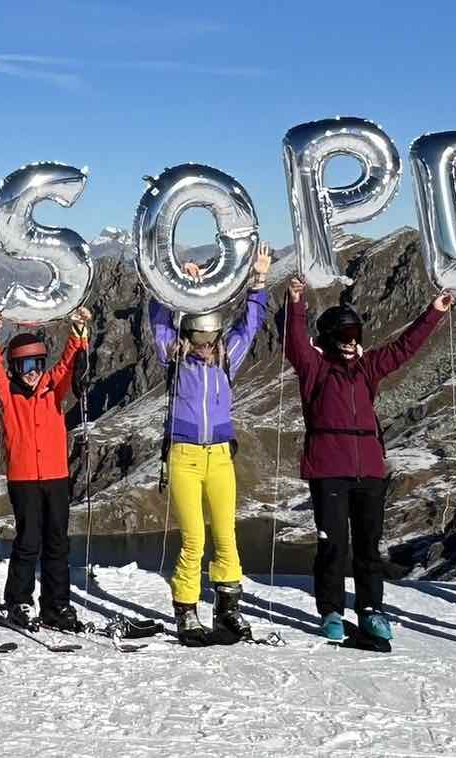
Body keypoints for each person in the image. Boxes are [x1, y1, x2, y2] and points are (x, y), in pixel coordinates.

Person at [284, 271, 453, 646]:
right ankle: (330, 610)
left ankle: (371, 609)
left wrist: (434, 311)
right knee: (333, 544)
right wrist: (295, 302)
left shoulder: (367, 368)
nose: (350, 343)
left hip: (370, 471)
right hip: (329, 469)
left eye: (355, 336)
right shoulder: (314, 369)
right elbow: (295, 343)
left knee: (368, 545)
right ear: (328, 338)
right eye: (343, 336)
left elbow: (404, 348)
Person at [149, 246, 272, 643]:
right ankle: (186, 611)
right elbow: (157, 317)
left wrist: (259, 281)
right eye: (197, 335)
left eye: (209, 335)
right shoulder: (175, 356)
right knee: (194, 540)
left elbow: (250, 325)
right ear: (187, 333)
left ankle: (228, 610)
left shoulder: (226, 358)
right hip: (183, 456)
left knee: (225, 535)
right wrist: (177, 285)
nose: (203, 343)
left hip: (220, 457)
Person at [0, 306, 91, 630]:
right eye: (25, 365)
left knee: (57, 542)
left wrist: (78, 331)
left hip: (56, 477)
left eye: (38, 364)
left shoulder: (53, 388)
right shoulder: (8, 394)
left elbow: (70, 363)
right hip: (24, 479)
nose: (32, 371)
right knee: (28, 542)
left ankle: (56, 606)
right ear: (15, 367)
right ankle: (19, 602)